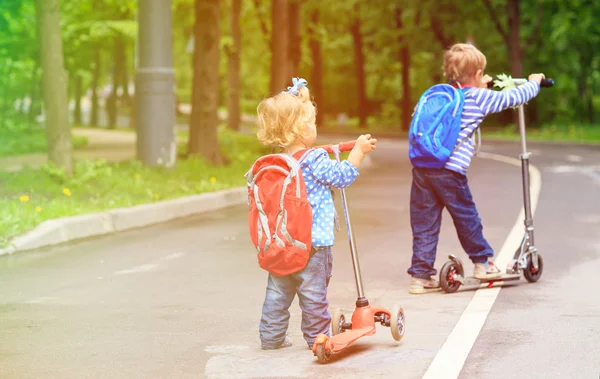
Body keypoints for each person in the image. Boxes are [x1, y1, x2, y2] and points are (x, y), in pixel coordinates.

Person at [407, 43, 545, 294]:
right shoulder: (479, 97)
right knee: (466, 218)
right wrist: (534, 82)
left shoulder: (438, 95)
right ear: (478, 73)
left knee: (424, 223)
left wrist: (481, 85)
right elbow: (513, 97)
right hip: (450, 172)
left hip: (422, 168)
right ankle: (482, 263)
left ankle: (421, 276)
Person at [256, 77, 377, 349]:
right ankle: (318, 341)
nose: (315, 128)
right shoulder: (313, 159)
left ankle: (271, 338)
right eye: (311, 123)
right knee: (314, 297)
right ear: (300, 130)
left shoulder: (276, 162)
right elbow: (342, 176)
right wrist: (357, 152)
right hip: (313, 244)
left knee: (277, 294)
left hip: (281, 242)